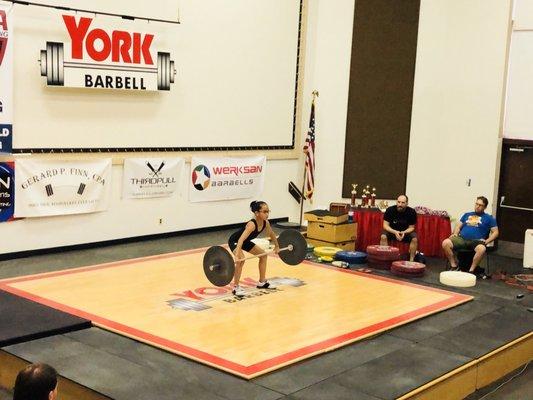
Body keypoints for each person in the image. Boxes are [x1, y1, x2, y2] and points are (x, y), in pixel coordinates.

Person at [228, 200, 280, 296]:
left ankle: (262, 282)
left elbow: (271, 234)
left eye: (268, 211)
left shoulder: (266, 223)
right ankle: (235, 287)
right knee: (241, 260)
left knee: (263, 255)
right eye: (264, 212)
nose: (267, 214)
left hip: (245, 242)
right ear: (256, 213)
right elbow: (240, 240)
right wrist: (237, 256)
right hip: (235, 241)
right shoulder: (252, 224)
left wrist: (277, 246)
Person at [442, 196, 499, 274]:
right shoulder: (467, 214)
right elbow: (458, 226)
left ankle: (471, 270)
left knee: (482, 249)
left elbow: (496, 232)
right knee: (445, 243)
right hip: (462, 239)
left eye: (480, 205)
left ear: (485, 207)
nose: (477, 206)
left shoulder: (489, 218)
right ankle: (454, 265)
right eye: (476, 204)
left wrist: (487, 241)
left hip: (477, 241)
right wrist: (455, 233)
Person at [380, 195, 419, 261]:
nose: (400, 204)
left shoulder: (412, 212)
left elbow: (411, 228)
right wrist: (395, 232)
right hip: (392, 231)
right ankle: (384, 259)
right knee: (383, 236)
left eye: (402, 203)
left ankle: (411, 260)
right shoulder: (390, 210)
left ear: (407, 203)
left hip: (405, 232)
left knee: (414, 238)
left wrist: (404, 232)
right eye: (398, 202)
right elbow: (385, 225)